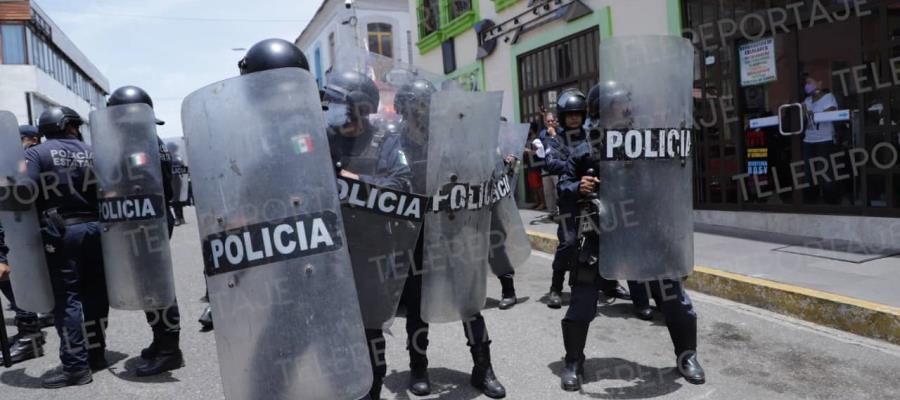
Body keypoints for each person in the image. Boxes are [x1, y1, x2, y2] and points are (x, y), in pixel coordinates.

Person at [557, 81, 705, 391]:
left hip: (644, 229)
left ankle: (686, 356)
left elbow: (668, 177)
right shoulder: (584, 149)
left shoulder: (646, 142)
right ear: (599, 111)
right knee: (582, 299)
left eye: (625, 106)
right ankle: (573, 362)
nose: (622, 111)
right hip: (600, 231)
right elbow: (563, 188)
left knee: (673, 297)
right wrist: (578, 187)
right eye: (615, 106)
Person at [391, 78, 507, 399]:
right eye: (417, 106)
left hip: (454, 231)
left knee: (469, 301)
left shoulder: (451, 140)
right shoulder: (393, 145)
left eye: (428, 105)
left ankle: (483, 368)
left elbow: (477, 172)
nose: (423, 112)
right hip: (415, 237)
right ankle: (418, 367)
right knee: (418, 305)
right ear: (404, 110)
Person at [104, 85, 186, 376]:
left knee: (155, 286)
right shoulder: (153, 140)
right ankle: (161, 341)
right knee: (152, 284)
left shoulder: (138, 146)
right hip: (154, 220)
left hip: (145, 223)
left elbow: (139, 184)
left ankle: (169, 350)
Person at [23, 106, 104, 387]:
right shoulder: (93, 150)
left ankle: (76, 367)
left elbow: (24, 190)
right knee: (95, 293)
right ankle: (96, 354)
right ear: (68, 124)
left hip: (61, 232)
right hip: (97, 228)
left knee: (67, 298)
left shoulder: (36, 153)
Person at [544, 89, 629, 309]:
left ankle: (609, 284)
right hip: (569, 198)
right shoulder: (556, 140)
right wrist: (577, 166)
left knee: (604, 241)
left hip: (596, 198)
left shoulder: (592, 135)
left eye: (578, 114)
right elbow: (551, 163)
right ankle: (555, 287)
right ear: (562, 116)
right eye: (570, 114)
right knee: (568, 243)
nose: (574, 118)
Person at [0, 125, 49, 366]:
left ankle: (30, 334)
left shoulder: (30, 157)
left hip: (21, 227)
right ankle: (28, 331)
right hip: (16, 226)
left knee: (10, 279)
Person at [801, 73, 840, 204]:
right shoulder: (807, 101)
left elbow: (832, 111)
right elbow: (800, 116)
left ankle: (831, 201)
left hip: (824, 139)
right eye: (806, 84)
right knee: (808, 172)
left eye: (810, 82)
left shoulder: (828, 97)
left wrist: (814, 114)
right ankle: (812, 200)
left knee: (826, 170)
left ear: (819, 83)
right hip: (808, 139)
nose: (808, 86)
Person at [539, 112, 559, 215]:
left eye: (552, 120)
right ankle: (552, 212)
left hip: (556, 167)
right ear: (545, 122)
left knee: (558, 191)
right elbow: (540, 149)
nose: (550, 122)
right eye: (548, 121)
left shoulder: (559, 131)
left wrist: (554, 134)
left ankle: (560, 211)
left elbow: (562, 146)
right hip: (545, 168)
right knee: (548, 192)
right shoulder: (542, 133)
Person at [524, 122, 546, 210]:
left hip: (536, 165)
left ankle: (543, 203)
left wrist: (527, 150)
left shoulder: (537, 140)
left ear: (532, 129)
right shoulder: (528, 139)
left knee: (538, 185)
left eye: (528, 128)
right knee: (533, 186)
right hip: (530, 165)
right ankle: (537, 202)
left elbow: (538, 152)